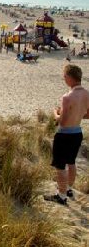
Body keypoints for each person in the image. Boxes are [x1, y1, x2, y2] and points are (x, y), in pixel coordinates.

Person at [44, 65, 89, 205]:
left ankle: (61, 196)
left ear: (70, 77)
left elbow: (62, 121)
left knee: (60, 166)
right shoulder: (86, 93)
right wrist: (76, 115)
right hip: (77, 132)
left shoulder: (67, 97)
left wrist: (55, 114)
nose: (63, 78)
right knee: (71, 162)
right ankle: (69, 189)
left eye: (64, 76)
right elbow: (88, 114)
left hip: (64, 135)